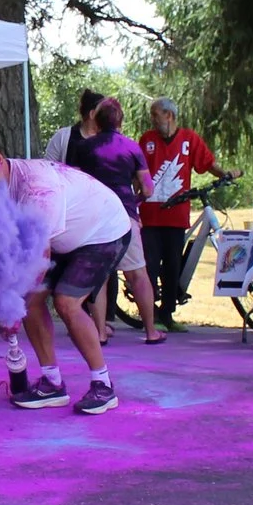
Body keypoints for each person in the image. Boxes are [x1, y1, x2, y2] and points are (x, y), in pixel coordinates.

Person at [0, 140, 132, 415]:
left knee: (66, 303)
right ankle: (52, 382)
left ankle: (104, 386)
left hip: (103, 232)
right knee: (31, 302)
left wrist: (13, 306)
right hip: (63, 238)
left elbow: (38, 257)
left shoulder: (36, 188)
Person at [68, 96, 165, 345]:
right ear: (120, 121)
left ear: (97, 122)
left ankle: (99, 332)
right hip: (125, 215)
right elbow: (148, 188)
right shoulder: (132, 148)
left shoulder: (84, 148)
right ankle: (151, 331)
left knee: (99, 277)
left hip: (94, 218)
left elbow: (74, 183)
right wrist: (135, 202)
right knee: (138, 274)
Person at [139, 98, 223, 328]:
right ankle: (150, 315)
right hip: (150, 214)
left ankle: (167, 314)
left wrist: (225, 174)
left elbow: (207, 163)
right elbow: (137, 172)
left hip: (176, 215)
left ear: (169, 115)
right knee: (150, 265)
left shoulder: (189, 139)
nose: (153, 119)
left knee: (173, 265)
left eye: (156, 114)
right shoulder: (147, 140)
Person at [45, 87, 103, 166]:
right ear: (92, 114)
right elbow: (48, 168)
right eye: (103, 114)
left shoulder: (106, 141)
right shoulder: (62, 136)